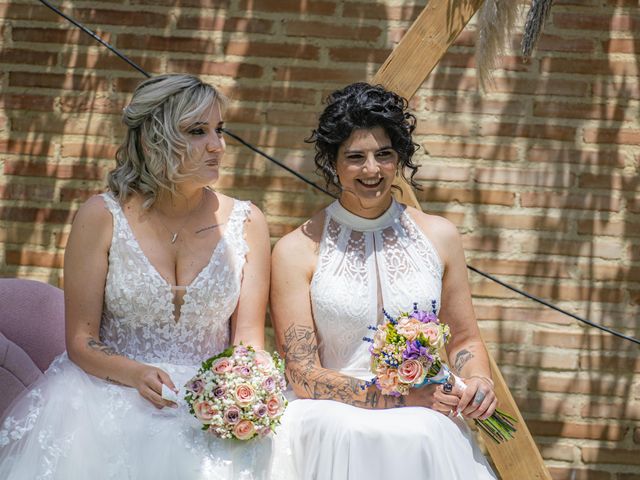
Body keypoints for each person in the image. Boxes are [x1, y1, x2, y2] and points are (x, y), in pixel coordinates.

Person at [0, 74, 292, 479]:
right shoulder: (101, 217)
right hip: (107, 395)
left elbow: (248, 343)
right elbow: (81, 341)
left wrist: (245, 394)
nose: (218, 145)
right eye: (197, 131)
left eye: (219, 130)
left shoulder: (247, 222)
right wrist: (134, 373)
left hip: (210, 403)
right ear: (152, 140)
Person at [271, 82, 498, 479]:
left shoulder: (440, 236)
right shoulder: (296, 249)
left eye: (384, 155)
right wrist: (400, 399)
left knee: (424, 433)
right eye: (355, 157)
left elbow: (464, 340)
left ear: (400, 159)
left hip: (425, 421)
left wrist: (478, 381)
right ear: (333, 162)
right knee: (394, 428)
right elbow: (301, 374)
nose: (372, 170)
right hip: (334, 422)